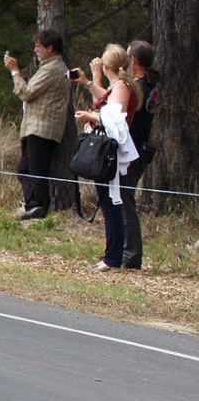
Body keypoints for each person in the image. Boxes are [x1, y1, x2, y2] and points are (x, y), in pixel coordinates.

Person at [73, 43, 139, 271]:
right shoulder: (118, 85)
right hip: (108, 150)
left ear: (108, 65)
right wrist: (91, 81)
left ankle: (112, 258)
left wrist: (90, 116)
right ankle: (111, 255)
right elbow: (106, 101)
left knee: (111, 203)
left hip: (111, 152)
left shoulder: (120, 86)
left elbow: (115, 121)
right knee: (109, 202)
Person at [4, 28, 70, 219]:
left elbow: (27, 92)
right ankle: (32, 205)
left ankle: (38, 206)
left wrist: (14, 72)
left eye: (39, 46)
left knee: (36, 170)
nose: (36, 50)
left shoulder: (52, 68)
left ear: (50, 48)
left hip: (41, 128)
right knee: (25, 170)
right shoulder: (52, 68)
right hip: (36, 127)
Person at [119, 41, 157, 268]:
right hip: (142, 148)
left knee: (125, 200)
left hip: (133, 150)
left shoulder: (139, 88)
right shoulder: (151, 85)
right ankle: (128, 251)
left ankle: (131, 254)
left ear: (133, 61)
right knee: (125, 199)